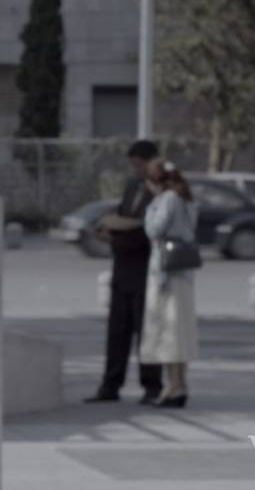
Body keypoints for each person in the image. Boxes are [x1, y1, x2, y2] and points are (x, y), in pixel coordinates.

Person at [86, 139, 164, 404]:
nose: (136, 170)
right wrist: (106, 227)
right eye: (133, 165)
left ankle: (152, 386)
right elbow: (122, 215)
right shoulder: (132, 187)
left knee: (147, 331)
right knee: (117, 331)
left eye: (140, 165)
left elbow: (148, 230)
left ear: (153, 162)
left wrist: (114, 239)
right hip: (121, 269)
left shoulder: (161, 192)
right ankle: (110, 385)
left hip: (145, 269)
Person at [138, 158, 199, 408]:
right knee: (180, 331)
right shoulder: (185, 199)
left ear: (155, 182)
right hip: (182, 272)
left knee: (170, 330)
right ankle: (180, 384)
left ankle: (173, 387)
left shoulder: (167, 200)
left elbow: (154, 229)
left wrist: (151, 206)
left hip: (167, 273)